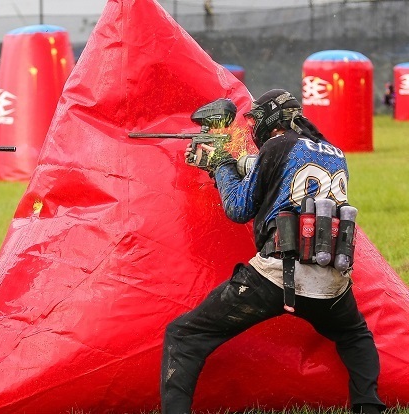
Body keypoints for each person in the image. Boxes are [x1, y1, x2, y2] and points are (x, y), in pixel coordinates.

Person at [160, 90, 385, 414]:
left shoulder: (278, 146)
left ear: (269, 122)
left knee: (183, 335)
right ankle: (369, 407)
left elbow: (238, 207)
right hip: (332, 277)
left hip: (277, 276)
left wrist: (221, 164)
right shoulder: (335, 152)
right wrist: (242, 163)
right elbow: (289, 177)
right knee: (355, 336)